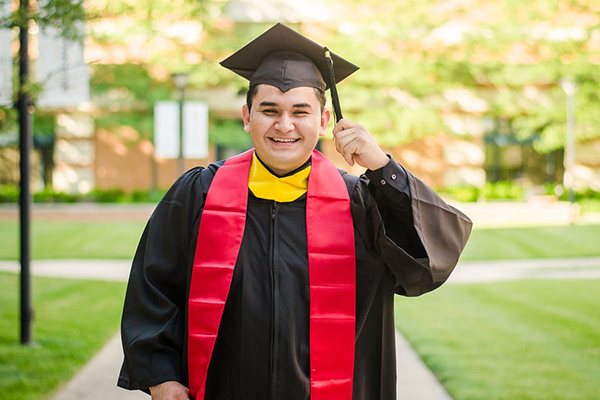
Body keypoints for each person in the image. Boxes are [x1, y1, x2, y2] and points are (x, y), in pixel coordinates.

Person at [118, 23, 472, 400]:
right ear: (246, 116)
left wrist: (384, 169)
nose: (284, 125)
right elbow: (152, 288)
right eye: (269, 110)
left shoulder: (363, 201)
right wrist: (161, 377)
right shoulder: (198, 194)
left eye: (299, 112)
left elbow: (429, 261)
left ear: (323, 121)